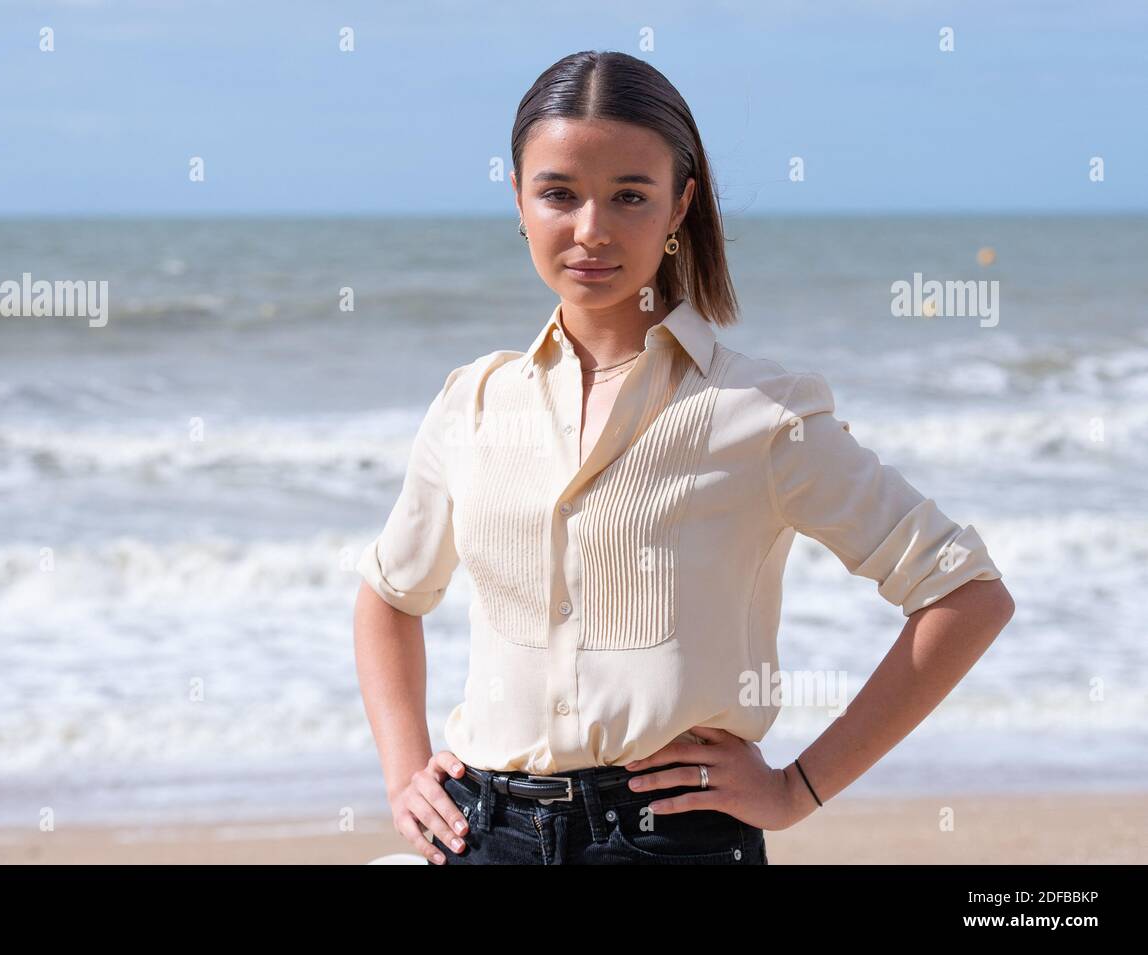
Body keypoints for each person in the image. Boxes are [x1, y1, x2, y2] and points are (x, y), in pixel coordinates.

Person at [352, 50, 1015, 865]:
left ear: (680, 206)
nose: (591, 229)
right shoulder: (473, 402)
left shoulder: (762, 413)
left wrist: (797, 788)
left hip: (670, 841)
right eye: (558, 193)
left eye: (630, 195)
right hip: (482, 831)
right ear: (518, 200)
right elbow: (388, 596)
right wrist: (403, 771)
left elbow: (965, 594)